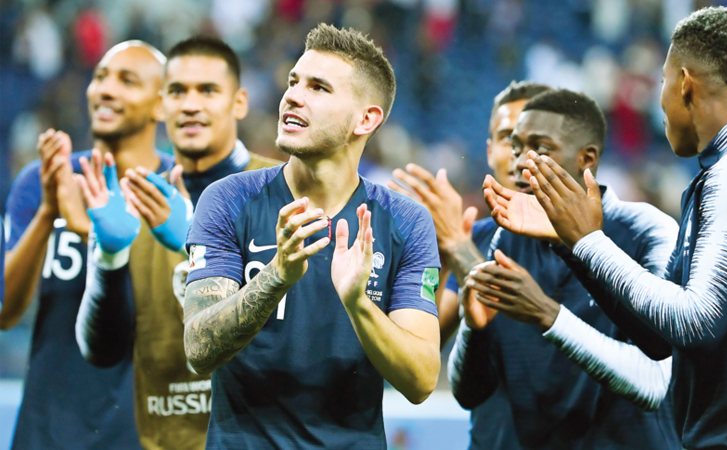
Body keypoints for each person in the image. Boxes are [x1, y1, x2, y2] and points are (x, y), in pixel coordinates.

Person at [509, 7, 727, 449]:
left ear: (684, 83)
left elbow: (696, 322)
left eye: (661, 81)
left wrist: (590, 243)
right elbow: (660, 340)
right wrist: (573, 243)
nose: (658, 100)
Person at [182, 24, 441, 449]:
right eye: (293, 81)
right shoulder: (229, 199)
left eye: (318, 87)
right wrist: (276, 275)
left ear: (366, 119)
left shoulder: (404, 221)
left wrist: (359, 304)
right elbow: (198, 348)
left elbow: (421, 379)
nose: (292, 97)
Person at [75, 36, 281, 450]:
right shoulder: (133, 203)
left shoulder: (284, 193)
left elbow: (294, 337)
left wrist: (192, 237)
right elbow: (103, 351)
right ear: (160, 106)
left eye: (207, 90)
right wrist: (108, 257)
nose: (190, 104)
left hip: (266, 439)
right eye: (177, 91)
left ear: (238, 102)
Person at [453, 89, 681, 449]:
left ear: (586, 159)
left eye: (539, 149)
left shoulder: (647, 230)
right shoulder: (501, 240)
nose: (519, 162)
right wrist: (474, 331)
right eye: (514, 148)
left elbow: (655, 382)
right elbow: (466, 393)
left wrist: (548, 315)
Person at [2, 41, 172, 449]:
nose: (106, 90)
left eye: (127, 81)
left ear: (161, 105)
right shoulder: (44, 179)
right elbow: (5, 312)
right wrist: (47, 211)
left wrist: (94, 236)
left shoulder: (177, 194)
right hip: (46, 428)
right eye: (100, 77)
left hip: (136, 432)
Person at [389, 80, 550, 450]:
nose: (519, 154)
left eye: (533, 141)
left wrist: (458, 247)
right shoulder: (474, 236)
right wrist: (437, 258)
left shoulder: (588, 238)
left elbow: (533, 343)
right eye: (508, 139)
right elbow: (419, 356)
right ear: (490, 150)